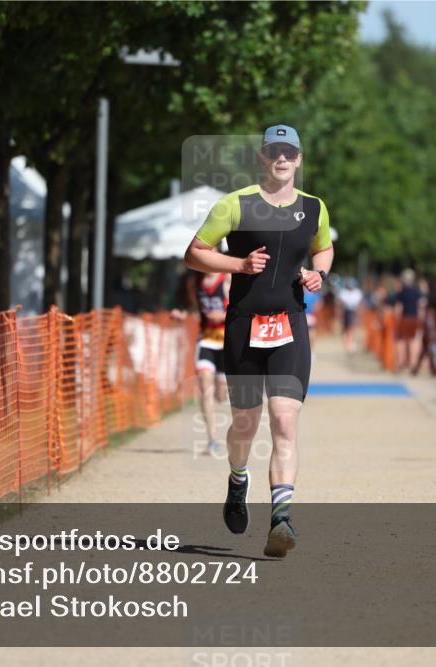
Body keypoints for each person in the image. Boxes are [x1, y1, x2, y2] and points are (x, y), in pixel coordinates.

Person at [184, 124, 334, 558]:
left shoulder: (314, 207)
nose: (282, 159)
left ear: (299, 159)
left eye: (289, 152)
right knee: (245, 424)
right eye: (275, 152)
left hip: (290, 326)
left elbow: (323, 248)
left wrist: (319, 274)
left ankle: (281, 520)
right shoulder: (235, 204)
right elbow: (194, 253)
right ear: (263, 158)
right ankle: (238, 478)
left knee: (284, 421)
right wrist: (239, 264)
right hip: (244, 326)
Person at [194, 270, 230, 457]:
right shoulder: (196, 281)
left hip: (226, 341)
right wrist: (182, 313)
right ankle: (212, 440)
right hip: (206, 340)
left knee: (221, 395)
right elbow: (194, 307)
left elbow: (239, 308)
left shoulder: (226, 279)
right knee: (204, 387)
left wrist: (222, 316)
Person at [394, 269, 425, 371]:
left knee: (401, 340)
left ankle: (401, 362)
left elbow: (399, 307)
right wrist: (420, 320)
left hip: (404, 318)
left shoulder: (401, 292)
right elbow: (421, 307)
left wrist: (397, 320)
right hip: (414, 319)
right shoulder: (417, 292)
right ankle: (413, 363)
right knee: (413, 341)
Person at [338, 277, 364, 353]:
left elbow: (360, 305)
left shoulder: (357, 293)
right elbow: (340, 304)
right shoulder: (344, 292)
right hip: (346, 312)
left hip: (353, 312)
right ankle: (348, 342)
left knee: (351, 328)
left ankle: (350, 342)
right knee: (347, 328)